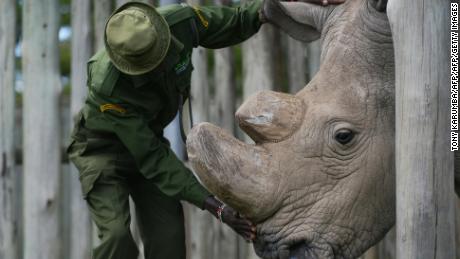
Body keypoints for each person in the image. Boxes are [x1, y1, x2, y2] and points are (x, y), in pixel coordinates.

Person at [67, 0, 338, 258]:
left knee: (169, 238)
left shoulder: (179, 22)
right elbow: (152, 158)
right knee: (116, 238)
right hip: (102, 153)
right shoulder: (109, 86)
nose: (161, 67)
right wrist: (216, 207)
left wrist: (273, 8)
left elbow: (235, 21)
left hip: (150, 143)